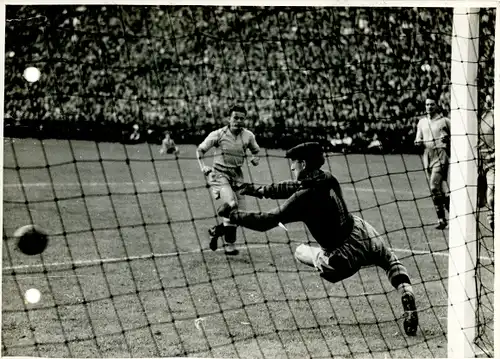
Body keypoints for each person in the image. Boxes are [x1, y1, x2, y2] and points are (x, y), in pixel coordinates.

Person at [217, 142, 419, 336]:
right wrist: (256, 190)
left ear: (303, 164)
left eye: (294, 162)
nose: (291, 166)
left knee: (300, 252)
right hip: (362, 231)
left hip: (343, 255)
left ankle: (325, 260)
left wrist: (233, 216)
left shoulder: (302, 199)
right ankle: (406, 293)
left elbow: (266, 221)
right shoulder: (327, 177)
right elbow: (291, 186)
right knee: (390, 260)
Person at [196, 105, 260, 255]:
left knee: (240, 214)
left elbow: (256, 151)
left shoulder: (248, 135)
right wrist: (203, 167)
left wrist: (255, 159)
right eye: (235, 118)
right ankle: (228, 243)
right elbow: (200, 150)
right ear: (228, 119)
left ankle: (217, 232)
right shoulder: (218, 134)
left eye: (241, 118)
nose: (238, 121)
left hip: (237, 176)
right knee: (232, 203)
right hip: (219, 174)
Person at [414, 96, 451, 229]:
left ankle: (445, 216)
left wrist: (447, 139)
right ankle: (443, 218)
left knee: (434, 186)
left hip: (441, 153)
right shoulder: (422, 122)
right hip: (427, 155)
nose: (429, 107)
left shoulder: (444, 121)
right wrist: (417, 142)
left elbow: (454, 137)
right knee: (437, 189)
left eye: (432, 104)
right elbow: (418, 138)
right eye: (427, 104)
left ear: (437, 105)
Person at [478, 109, 495, 230]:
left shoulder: (492, 116)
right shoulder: (467, 118)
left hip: (492, 162)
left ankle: (493, 222)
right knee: (478, 201)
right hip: (476, 164)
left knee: (491, 195)